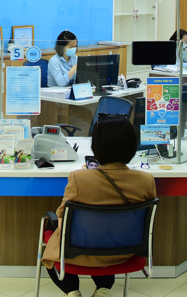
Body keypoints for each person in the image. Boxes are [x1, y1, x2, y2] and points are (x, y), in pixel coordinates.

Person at [42, 117, 157, 297]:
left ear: (96, 147)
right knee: (109, 230)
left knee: (53, 224)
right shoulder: (146, 180)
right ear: (132, 147)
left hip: (78, 252)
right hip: (124, 252)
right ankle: (104, 290)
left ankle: (72, 292)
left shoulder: (79, 178)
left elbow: (61, 215)